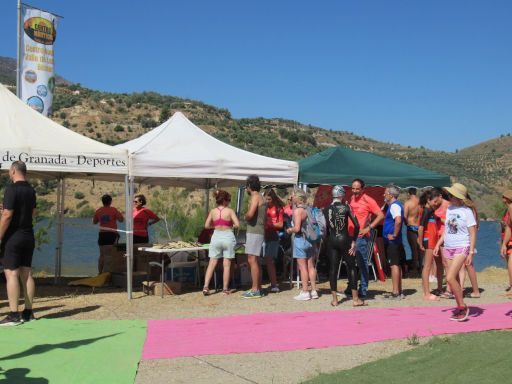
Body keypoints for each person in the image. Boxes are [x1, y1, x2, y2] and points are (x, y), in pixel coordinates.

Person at [0, 161, 37, 326]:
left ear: (13, 170)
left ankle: (14, 314)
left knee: (12, 274)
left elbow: (7, 215)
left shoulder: (11, 189)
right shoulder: (31, 190)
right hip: (28, 235)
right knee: (27, 274)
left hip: (13, 237)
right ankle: (28, 312)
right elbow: (33, 212)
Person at [433, 183, 477, 322]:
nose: (449, 196)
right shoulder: (450, 209)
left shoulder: (467, 211)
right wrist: (438, 244)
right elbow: (447, 229)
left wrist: (470, 252)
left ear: (457, 197)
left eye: (451, 195)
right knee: (454, 280)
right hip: (449, 247)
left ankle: (463, 307)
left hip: (462, 246)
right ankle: (460, 307)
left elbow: (473, 232)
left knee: (450, 277)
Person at [324, 186, 362, 307]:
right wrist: (354, 241)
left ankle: (335, 300)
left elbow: (324, 228)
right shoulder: (346, 207)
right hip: (345, 240)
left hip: (331, 240)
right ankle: (355, 299)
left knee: (333, 269)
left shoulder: (326, 209)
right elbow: (357, 225)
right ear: (341, 195)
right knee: (351, 267)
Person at [349, 179, 385, 298]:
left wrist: (368, 228)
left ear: (362, 189)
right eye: (353, 188)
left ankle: (363, 289)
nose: (354, 191)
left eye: (357, 189)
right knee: (350, 263)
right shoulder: (352, 198)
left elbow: (380, 215)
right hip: (350, 236)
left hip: (361, 237)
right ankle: (352, 287)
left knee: (362, 263)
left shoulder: (368, 200)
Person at [202, 190, 240, 295]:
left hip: (216, 236)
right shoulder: (230, 211)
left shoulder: (213, 211)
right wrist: (230, 225)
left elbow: (206, 226)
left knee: (212, 263)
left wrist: (214, 226)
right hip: (228, 236)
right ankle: (225, 288)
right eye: (228, 200)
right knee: (226, 264)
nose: (229, 202)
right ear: (224, 200)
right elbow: (237, 224)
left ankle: (206, 287)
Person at [286, 189, 318, 300]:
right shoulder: (308, 209)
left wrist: (289, 230)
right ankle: (314, 291)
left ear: (298, 198)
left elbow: (297, 228)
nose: (291, 197)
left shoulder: (298, 211)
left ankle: (305, 291)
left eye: (293, 196)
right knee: (311, 266)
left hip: (301, 240)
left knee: (302, 267)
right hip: (310, 241)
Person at [242, 175, 266, 299]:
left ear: (249, 186)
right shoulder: (260, 196)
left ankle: (255, 289)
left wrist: (244, 217)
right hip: (258, 231)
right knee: (255, 260)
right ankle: (258, 287)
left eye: (246, 186)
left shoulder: (255, 196)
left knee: (252, 259)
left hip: (254, 231)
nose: (246, 189)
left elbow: (250, 214)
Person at [418, 189, 443, 300]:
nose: (436, 204)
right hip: (428, 240)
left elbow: (439, 221)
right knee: (427, 266)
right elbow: (421, 227)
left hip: (434, 240)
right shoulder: (426, 210)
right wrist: (420, 241)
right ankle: (426, 293)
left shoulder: (432, 211)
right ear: (429, 200)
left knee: (439, 263)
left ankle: (439, 288)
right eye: (435, 201)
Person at [383, 185, 405, 299]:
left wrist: (395, 234)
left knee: (394, 265)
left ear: (391, 195)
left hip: (393, 241)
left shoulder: (395, 206)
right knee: (396, 264)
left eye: (385, 193)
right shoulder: (394, 205)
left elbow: (398, 220)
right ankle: (398, 290)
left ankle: (396, 291)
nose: (384, 195)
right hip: (395, 240)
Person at [93, 194, 124, 273]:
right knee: (110, 256)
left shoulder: (98, 210)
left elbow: (94, 222)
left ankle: (100, 273)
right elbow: (121, 220)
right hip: (111, 234)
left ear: (102, 202)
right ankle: (107, 275)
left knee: (102, 255)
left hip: (102, 235)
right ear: (110, 201)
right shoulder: (113, 210)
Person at [263, 188, 284, 293]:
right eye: (266, 199)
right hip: (262, 236)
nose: (267, 201)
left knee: (269, 260)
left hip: (273, 236)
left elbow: (280, 224)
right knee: (262, 260)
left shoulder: (279, 208)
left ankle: (274, 284)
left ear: (273, 198)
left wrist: (269, 225)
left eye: (269, 199)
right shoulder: (263, 208)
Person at [404, 187, 421, 274]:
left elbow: (405, 216)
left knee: (413, 248)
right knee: (420, 248)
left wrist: (406, 223)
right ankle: (421, 267)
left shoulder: (408, 203)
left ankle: (415, 268)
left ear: (409, 194)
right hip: (419, 226)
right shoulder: (420, 202)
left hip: (411, 226)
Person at [500, 190, 512, 292]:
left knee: (511, 263)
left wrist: (504, 243)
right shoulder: (508, 209)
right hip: (507, 238)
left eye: (503, 196)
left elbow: (509, 227)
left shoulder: (511, 208)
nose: (502, 199)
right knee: (509, 262)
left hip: (510, 239)